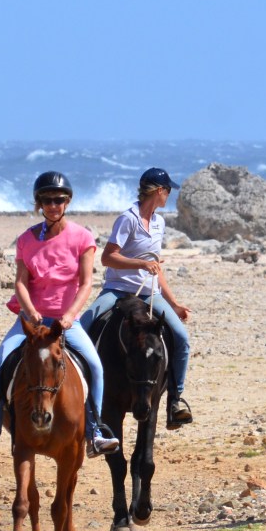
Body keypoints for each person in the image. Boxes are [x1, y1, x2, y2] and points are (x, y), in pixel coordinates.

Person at [0, 171, 121, 459]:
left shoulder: (82, 238)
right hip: (32, 322)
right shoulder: (26, 239)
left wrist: (71, 315)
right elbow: (21, 282)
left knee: (96, 367)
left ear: (68, 202)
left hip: (64, 323)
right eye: (46, 200)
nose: (53, 205)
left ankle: (95, 432)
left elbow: (86, 283)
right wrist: (31, 311)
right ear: (38, 204)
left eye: (58, 200)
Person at [80, 167, 194, 429]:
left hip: (149, 292)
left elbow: (155, 266)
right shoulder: (127, 219)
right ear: (158, 191)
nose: (169, 196)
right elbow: (108, 257)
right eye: (168, 191)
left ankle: (175, 401)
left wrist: (174, 303)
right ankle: (83, 398)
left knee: (182, 339)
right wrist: (139, 265)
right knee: (83, 328)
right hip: (118, 290)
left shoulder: (159, 222)